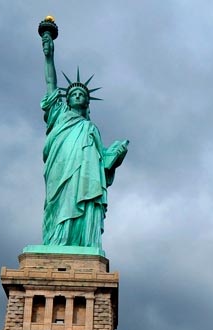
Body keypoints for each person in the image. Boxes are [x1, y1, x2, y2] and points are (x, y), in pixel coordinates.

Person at [39, 29, 128, 248]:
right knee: (58, 205)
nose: (78, 96)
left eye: (82, 95)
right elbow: (51, 84)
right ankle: (56, 244)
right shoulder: (58, 116)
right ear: (67, 100)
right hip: (60, 172)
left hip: (85, 178)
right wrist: (49, 56)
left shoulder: (90, 128)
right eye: (73, 94)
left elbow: (101, 164)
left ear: (87, 103)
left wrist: (115, 156)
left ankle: (82, 243)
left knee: (85, 201)